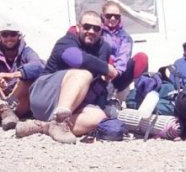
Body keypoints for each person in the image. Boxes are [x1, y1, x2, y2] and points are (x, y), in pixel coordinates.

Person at [15, 11, 118, 144]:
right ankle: (59, 121)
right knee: (83, 74)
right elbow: (76, 59)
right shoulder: (66, 41)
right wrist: (106, 68)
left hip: (73, 103)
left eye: (96, 28)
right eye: (87, 27)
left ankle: (46, 126)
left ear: (101, 31)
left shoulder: (104, 47)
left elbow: (100, 80)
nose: (91, 31)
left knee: (99, 118)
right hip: (44, 95)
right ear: (78, 27)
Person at [100, 1, 148, 98]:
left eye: (116, 16)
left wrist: (116, 72)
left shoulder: (125, 37)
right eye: (109, 16)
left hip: (118, 73)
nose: (113, 19)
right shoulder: (96, 31)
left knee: (141, 58)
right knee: (107, 56)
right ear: (102, 16)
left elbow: (124, 56)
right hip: (100, 69)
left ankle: (138, 93)